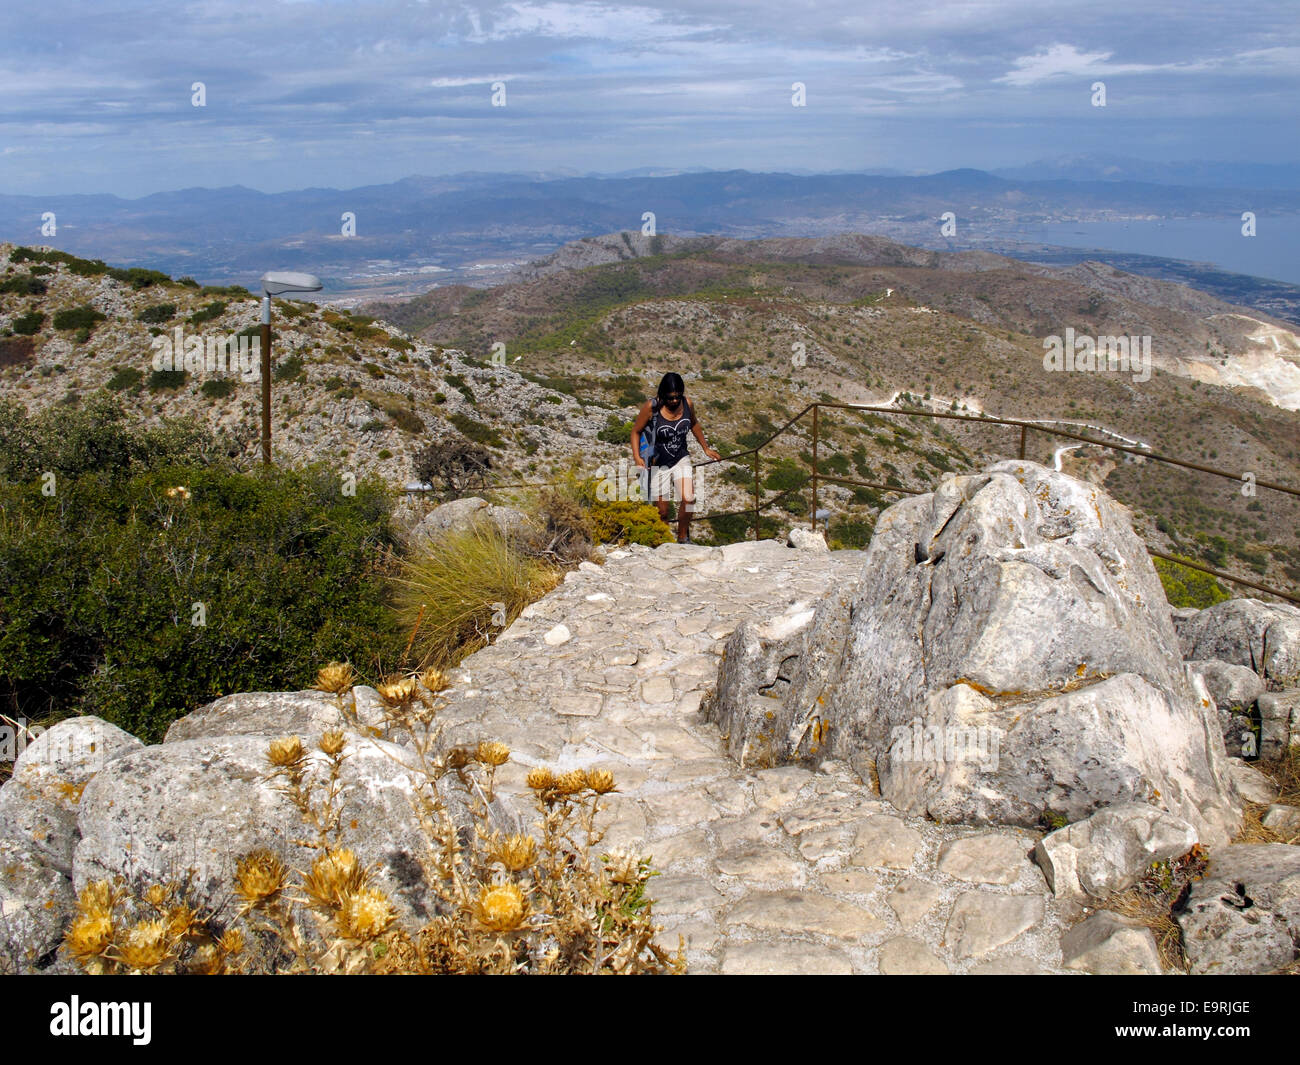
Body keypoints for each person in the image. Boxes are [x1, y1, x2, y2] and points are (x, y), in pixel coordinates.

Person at [631, 372, 720, 544]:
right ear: (663, 394)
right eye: (670, 397)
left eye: (677, 397)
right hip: (658, 463)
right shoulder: (652, 407)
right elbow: (636, 431)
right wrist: (637, 457)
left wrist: (706, 448)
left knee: (689, 499)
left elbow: (694, 423)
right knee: (662, 511)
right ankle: (664, 541)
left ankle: (683, 537)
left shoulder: (687, 404)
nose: (674, 401)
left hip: (680, 457)